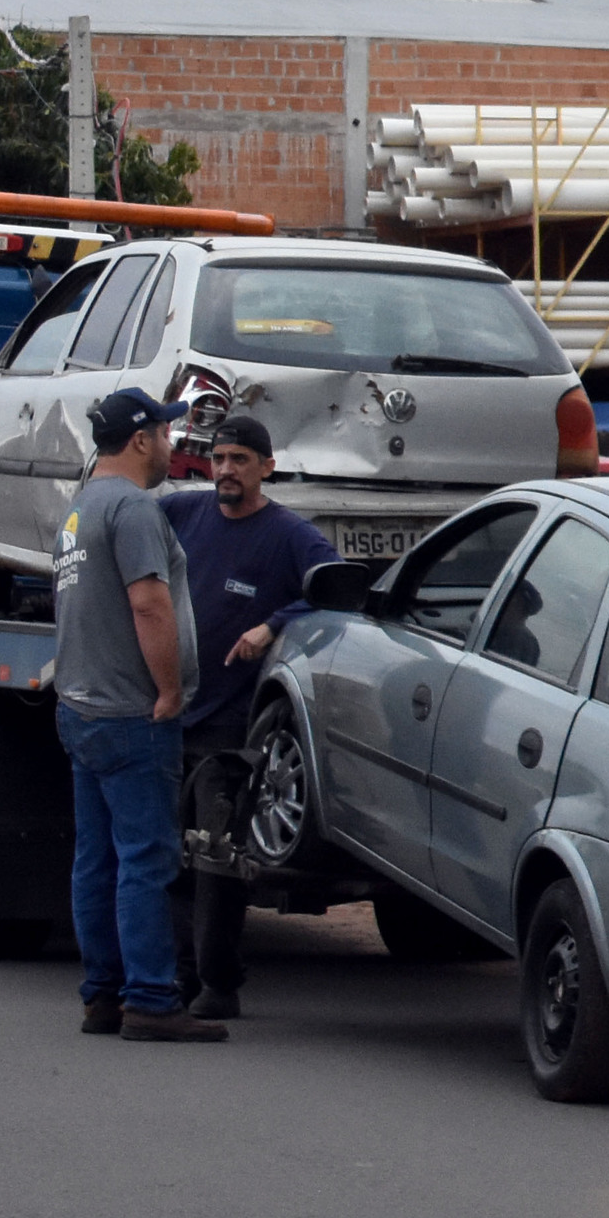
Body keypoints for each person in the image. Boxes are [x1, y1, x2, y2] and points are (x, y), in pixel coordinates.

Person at [55, 386, 224, 1042]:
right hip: (132, 712)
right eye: (165, 431)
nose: (173, 443)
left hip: (82, 706)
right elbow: (149, 603)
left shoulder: (81, 508)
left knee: (96, 860)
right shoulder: (130, 509)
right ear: (140, 439)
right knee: (146, 860)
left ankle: (102, 994)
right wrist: (170, 690)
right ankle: (151, 998)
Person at [164, 415, 340, 1019]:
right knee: (167, 861)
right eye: (218, 459)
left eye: (240, 459)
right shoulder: (184, 515)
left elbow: (337, 586)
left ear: (267, 466)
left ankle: (218, 984)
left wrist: (274, 624)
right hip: (168, 714)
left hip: (229, 731)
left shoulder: (289, 535)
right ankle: (175, 978)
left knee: (216, 857)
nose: (226, 471)